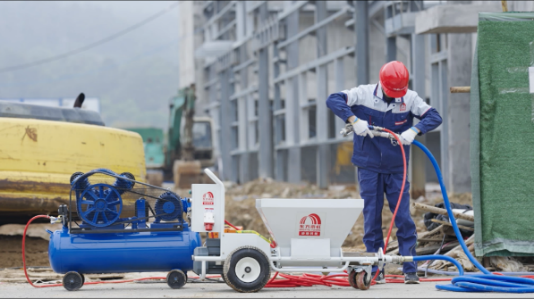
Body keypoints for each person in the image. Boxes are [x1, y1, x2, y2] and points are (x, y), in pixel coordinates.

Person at [326, 61, 442, 284]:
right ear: (382, 83)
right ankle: (375, 269)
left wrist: (415, 129)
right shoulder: (363, 94)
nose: (395, 96)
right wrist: (354, 120)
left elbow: (434, 116)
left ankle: (410, 269)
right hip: (369, 165)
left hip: (397, 166)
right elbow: (333, 99)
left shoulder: (410, 98)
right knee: (372, 217)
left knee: (403, 217)